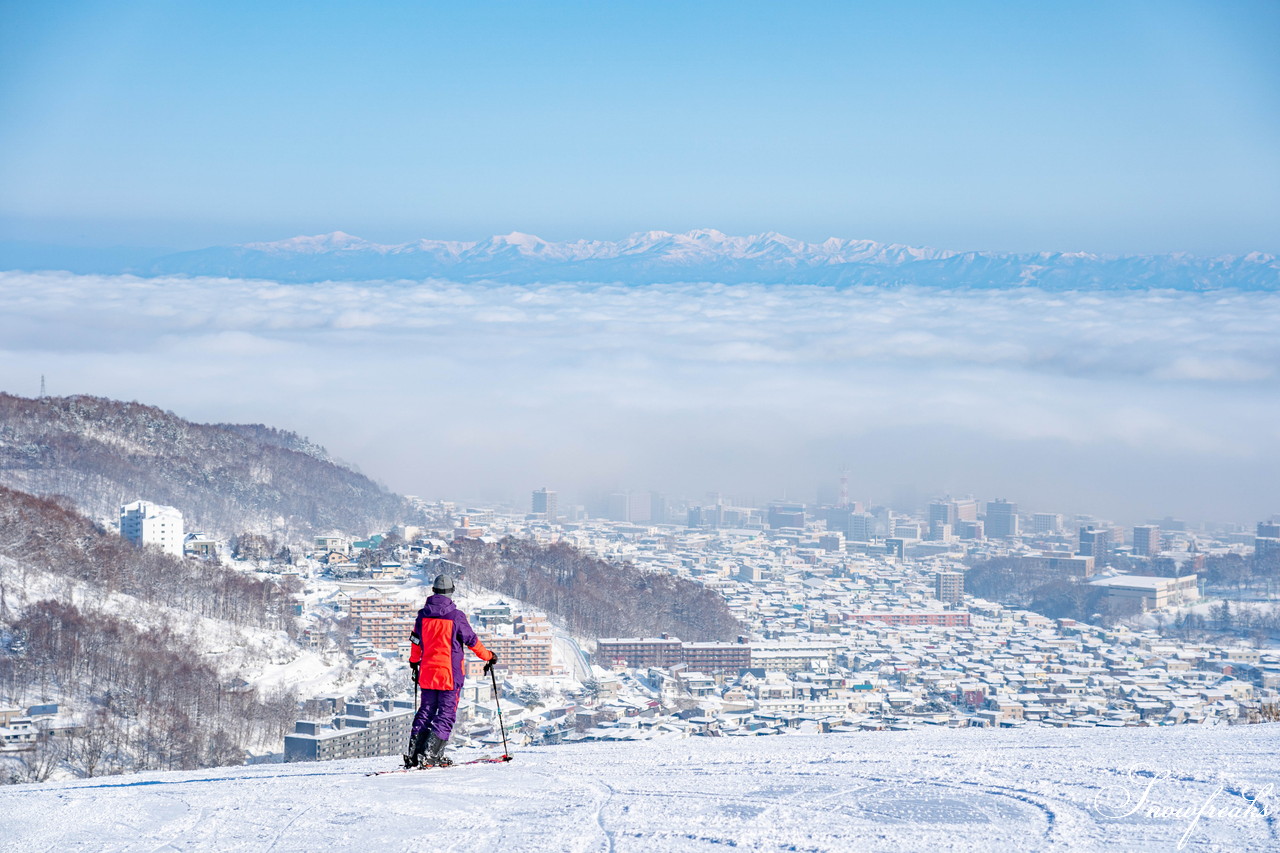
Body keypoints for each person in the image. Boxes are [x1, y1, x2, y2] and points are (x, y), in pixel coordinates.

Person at [404, 573, 497, 767]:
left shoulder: (422, 616)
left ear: (434, 591)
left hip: (428, 673)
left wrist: (414, 662)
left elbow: (415, 642)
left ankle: (414, 755)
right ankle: (430, 756)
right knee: (446, 714)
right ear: (451, 592)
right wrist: (488, 656)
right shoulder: (456, 617)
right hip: (449, 675)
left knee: (426, 711)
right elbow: (472, 641)